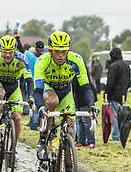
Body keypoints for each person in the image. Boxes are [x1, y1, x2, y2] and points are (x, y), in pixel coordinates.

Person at [34, 31, 97, 160]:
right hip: (48, 89)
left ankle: (68, 170)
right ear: (50, 51)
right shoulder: (42, 61)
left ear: (68, 50)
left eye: (64, 51)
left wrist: (91, 106)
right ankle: (43, 137)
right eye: (57, 51)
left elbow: (86, 87)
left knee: (69, 131)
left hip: (66, 92)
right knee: (52, 102)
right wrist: (40, 106)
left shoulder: (76, 60)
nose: (61, 55)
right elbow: (37, 91)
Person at [0, 35, 34, 145]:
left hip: (14, 87)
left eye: (10, 52)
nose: (7, 55)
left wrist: (31, 97)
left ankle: (13, 145)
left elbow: (29, 81)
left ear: (15, 50)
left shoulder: (22, 59)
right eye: (4, 52)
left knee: (17, 118)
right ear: (0, 50)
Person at [14, 29, 45, 131]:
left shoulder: (30, 56)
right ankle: (39, 124)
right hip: (41, 85)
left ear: (35, 49)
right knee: (41, 105)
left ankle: (33, 125)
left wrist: (17, 36)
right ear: (43, 49)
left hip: (30, 84)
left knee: (33, 105)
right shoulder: (44, 59)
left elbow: (20, 48)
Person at [104, 47, 131, 141]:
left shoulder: (114, 66)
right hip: (123, 94)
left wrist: (106, 93)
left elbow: (110, 82)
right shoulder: (126, 65)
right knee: (122, 115)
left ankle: (116, 136)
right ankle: (122, 135)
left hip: (114, 95)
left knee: (115, 115)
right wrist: (124, 91)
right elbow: (129, 82)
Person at [73, 63, 98, 149]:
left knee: (87, 121)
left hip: (85, 99)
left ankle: (90, 142)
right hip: (77, 98)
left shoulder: (80, 71)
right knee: (79, 120)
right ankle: (80, 141)